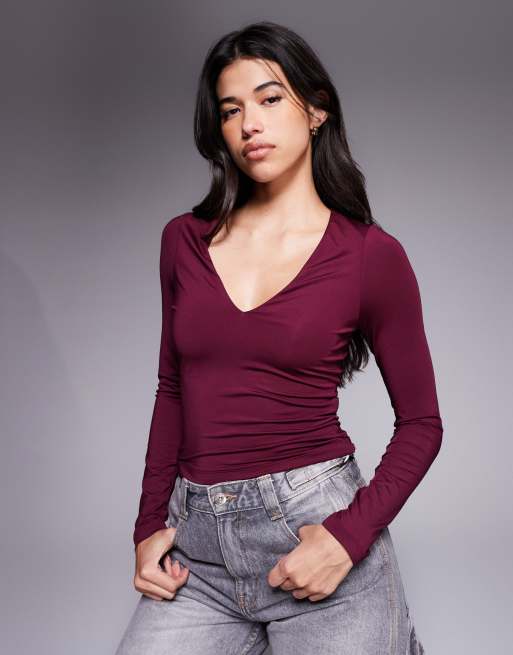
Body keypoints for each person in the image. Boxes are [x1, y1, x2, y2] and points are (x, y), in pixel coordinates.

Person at [115, 20, 442, 655]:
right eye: (231, 109)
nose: (249, 125)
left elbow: (423, 424)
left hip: (314, 530)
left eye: (269, 99)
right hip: (200, 553)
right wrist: (149, 523)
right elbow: (172, 389)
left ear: (316, 110)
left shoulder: (370, 256)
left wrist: (346, 539)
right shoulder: (183, 241)